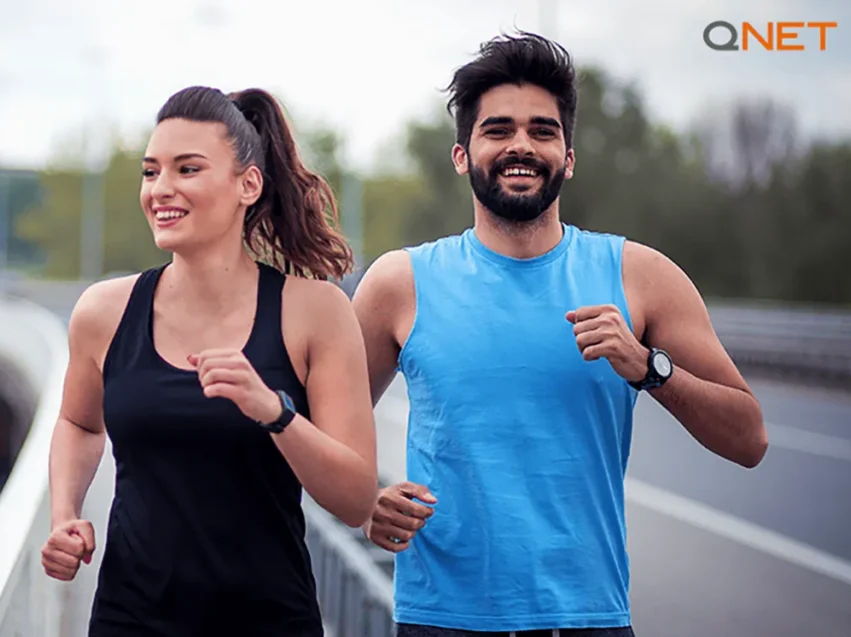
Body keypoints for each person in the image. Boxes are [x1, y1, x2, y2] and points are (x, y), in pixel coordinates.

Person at [352, 32, 768, 636]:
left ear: (568, 157)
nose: (521, 145)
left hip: (588, 619)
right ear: (462, 155)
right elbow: (329, 430)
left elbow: (749, 438)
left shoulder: (640, 276)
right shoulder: (400, 282)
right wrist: (363, 502)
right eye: (497, 130)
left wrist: (649, 368)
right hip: (443, 621)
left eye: (542, 131)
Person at [39, 85, 379, 636]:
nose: (161, 190)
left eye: (187, 169)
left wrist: (277, 414)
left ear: (248, 184)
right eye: (151, 172)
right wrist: (64, 516)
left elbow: (356, 498)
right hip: (130, 620)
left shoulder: (315, 311)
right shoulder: (103, 311)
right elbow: (79, 422)